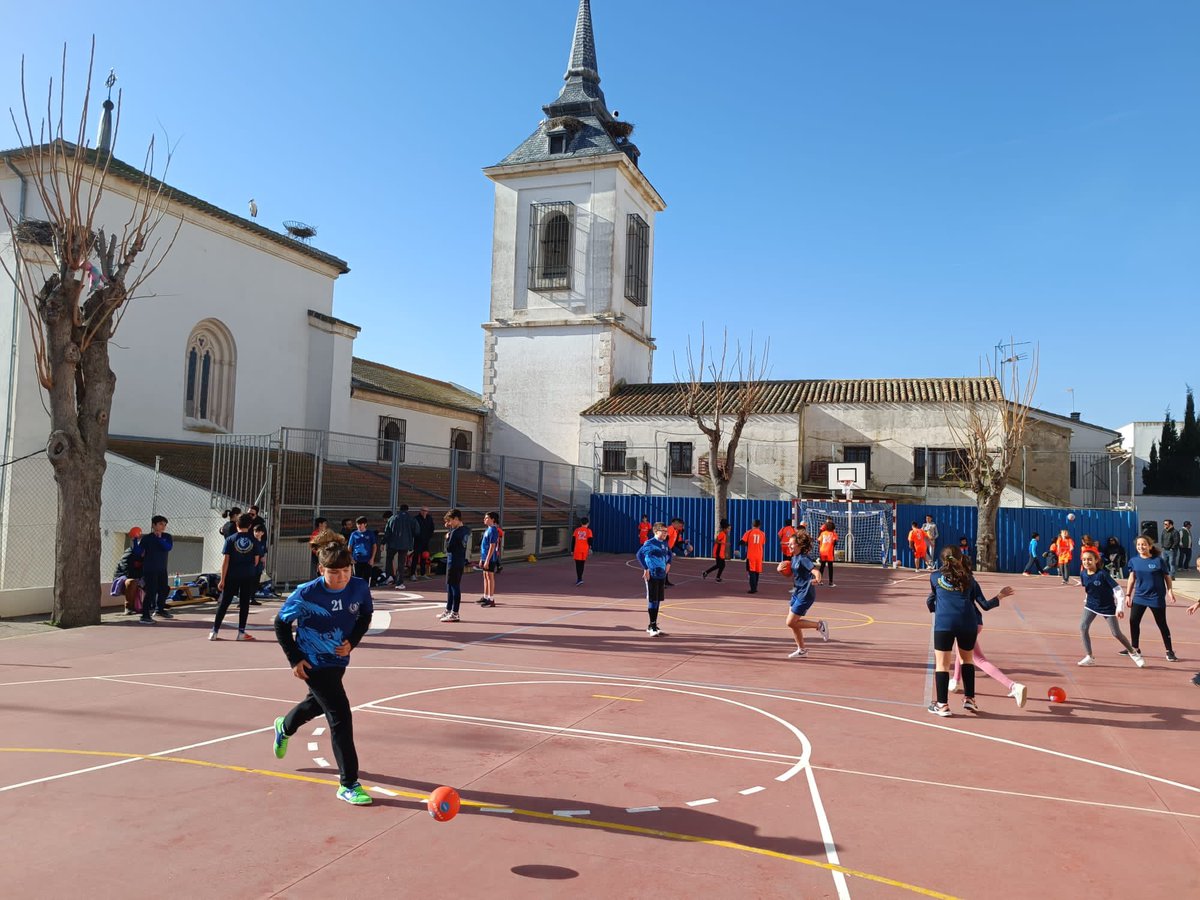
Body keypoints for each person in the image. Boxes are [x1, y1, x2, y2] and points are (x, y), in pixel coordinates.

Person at [272, 537, 375, 806]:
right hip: (312, 662)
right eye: (333, 572)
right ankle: (349, 784)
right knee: (340, 715)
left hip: (338, 661)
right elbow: (281, 624)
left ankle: (285, 726)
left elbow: (365, 616)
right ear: (321, 570)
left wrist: (352, 641)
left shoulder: (360, 587)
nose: (341, 577)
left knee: (317, 705)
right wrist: (294, 658)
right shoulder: (306, 593)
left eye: (346, 570)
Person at [926, 546, 1014, 716]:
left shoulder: (935, 577)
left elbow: (931, 599)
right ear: (960, 559)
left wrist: (932, 607)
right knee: (967, 661)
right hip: (968, 624)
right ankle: (970, 700)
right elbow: (985, 606)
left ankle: (942, 705)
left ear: (943, 561)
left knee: (942, 665)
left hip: (945, 624)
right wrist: (1000, 596)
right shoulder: (970, 580)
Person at [1077, 548, 1143, 667]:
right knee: (1083, 627)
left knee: (1116, 633)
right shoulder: (1083, 574)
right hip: (1091, 605)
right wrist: (1087, 599)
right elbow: (1088, 589)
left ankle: (1133, 653)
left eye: (1089, 560)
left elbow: (1118, 590)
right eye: (1084, 560)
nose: (1087, 562)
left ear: (1096, 560)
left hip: (1107, 607)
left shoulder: (1102, 575)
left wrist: (1120, 608)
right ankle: (1089, 656)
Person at [1124, 534, 1179, 662]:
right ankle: (1135, 648)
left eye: (1143, 544)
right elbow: (1132, 578)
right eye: (1138, 545)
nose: (1141, 546)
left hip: (1156, 597)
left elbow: (1167, 577)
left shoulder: (1158, 561)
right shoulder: (1133, 561)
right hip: (1139, 596)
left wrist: (1170, 591)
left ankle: (1169, 651)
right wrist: (1128, 595)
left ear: (1149, 546)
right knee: (1133, 621)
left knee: (1161, 624)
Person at [210, 513, 260, 641]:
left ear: (236, 524)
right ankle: (241, 632)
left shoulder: (230, 539)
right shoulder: (254, 540)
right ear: (250, 525)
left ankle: (214, 631)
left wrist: (222, 579)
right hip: (248, 575)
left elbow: (226, 560)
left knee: (224, 603)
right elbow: (256, 560)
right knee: (244, 604)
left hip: (232, 574)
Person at [779, 532, 826, 659]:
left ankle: (819, 625)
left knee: (790, 622)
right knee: (794, 623)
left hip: (805, 594)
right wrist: (782, 571)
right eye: (788, 543)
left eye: (791, 544)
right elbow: (792, 575)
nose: (789, 546)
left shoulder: (803, 558)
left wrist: (818, 578)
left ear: (799, 545)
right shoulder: (794, 558)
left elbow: (815, 570)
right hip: (797, 592)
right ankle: (802, 650)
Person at [135, 516, 175, 624]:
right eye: (161, 524)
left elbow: (168, 547)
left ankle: (159, 610)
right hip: (150, 569)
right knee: (151, 591)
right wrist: (135, 540)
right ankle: (145, 615)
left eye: (165, 524)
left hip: (162, 568)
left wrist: (159, 538)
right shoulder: (147, 538)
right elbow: (139, 552)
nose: (163, 526)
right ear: (154, 525)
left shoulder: (167, 536)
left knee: (164, 589)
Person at [636, 522, 672, 636]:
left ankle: (654, 625)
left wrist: (668, 564)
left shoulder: (665, 543)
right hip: (652, 574)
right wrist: (646, 568)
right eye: (663, 531)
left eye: (666, 531)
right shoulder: (649, 543)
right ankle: (652, 626)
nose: (666, 533)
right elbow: (639, 555)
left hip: (661, 575)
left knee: (657, 600)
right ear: (656, 531)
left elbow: (669, 554)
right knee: (652, 599)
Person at [439, 509, 470, 622]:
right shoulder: (465, 530)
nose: (449, 523)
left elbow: (449, 548)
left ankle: (455, 613)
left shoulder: (455, 533)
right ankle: (448, 610)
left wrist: (447, 538)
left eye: (450, 521)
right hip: (459, 560)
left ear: (456, 519)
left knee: (454, 587)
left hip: (454, 561)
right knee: (450, 586)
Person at [383, 505, 416, 589]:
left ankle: (389, 576)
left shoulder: (392, 518)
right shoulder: (411, 519)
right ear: (407, 510)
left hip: (393, 543)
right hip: (405, 543)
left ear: (399, 509)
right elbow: (416, 531)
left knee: (389, 559)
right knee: (401, 562)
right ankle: (399, 582)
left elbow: (387, 532)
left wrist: (383, 542)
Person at [114, 530, 145, 615]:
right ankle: (128, 607)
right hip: (123, 578)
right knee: (132, 582)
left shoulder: (147, 556)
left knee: (153, 581)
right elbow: (126, 570)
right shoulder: (129, 553)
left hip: (138, 577)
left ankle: (152, 605)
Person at [477, 511, 500, 608]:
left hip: (490, 558)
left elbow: (492, 546)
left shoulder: (493, 530)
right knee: (485, 576)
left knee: (490, 577)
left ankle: (491, 599)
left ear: (492, 519)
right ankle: (485, 596)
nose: (484, 519)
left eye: (486, 518)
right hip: (484, 556)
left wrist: (487, 560)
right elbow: (484, 546)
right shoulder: (488, 529)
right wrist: (481, 558)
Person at [739, 519, 767, 594]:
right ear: (759, 525)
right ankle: (755, 587)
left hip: (751, 555)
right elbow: (762, 543)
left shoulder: (749, 532)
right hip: (759, 555)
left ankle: (753, 588)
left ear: (752, 525)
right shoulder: (762, 534)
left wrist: (742, 544)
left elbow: (742, 542)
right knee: (757, 572)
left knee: (751, 572)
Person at [347, 517, 377, 582]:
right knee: (357, 578)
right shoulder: (354, 534)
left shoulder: (370, 533)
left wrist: (372, 558)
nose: (359, 526)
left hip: (367, 560)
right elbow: (349, 547)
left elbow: (374, 546)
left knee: (366, 579)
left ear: (365, 524)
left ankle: (365, 591)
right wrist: (351, 558)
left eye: (361, 524)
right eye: (358, 524)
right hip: (357, 560)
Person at [409, 507, 434, 580]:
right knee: (415, 557)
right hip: (418, 541)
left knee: (424, 557)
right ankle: (412, 574)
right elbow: (413, 529)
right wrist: (416, 536)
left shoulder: (429, 518)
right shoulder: (416, 518)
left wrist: (429, 537)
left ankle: (423, 573)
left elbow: (432, 528)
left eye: (426, 511)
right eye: (423, 510)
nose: (424, 512)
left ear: (428, 512)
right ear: (420, 511)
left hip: (426, 541)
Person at [572, 517, 593, 585]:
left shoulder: (576, 530)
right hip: (584, 549)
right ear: (588, 523)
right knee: (582, 564)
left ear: (581, 523)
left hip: (577, 549)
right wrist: (590, 548)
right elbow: (590, 540)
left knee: (577, 564)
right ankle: (580, 578)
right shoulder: (588, 531)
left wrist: (572, 550)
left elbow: (573, 541)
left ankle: (579, 578)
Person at [817, 519, 838, 587]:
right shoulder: (833, 534)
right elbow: (835, 542)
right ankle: (830, 582)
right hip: (829, 551)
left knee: (822, 566)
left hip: (822, 551)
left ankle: (819, 580)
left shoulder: (823, 533)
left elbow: (819, 541)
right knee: (830, 567)